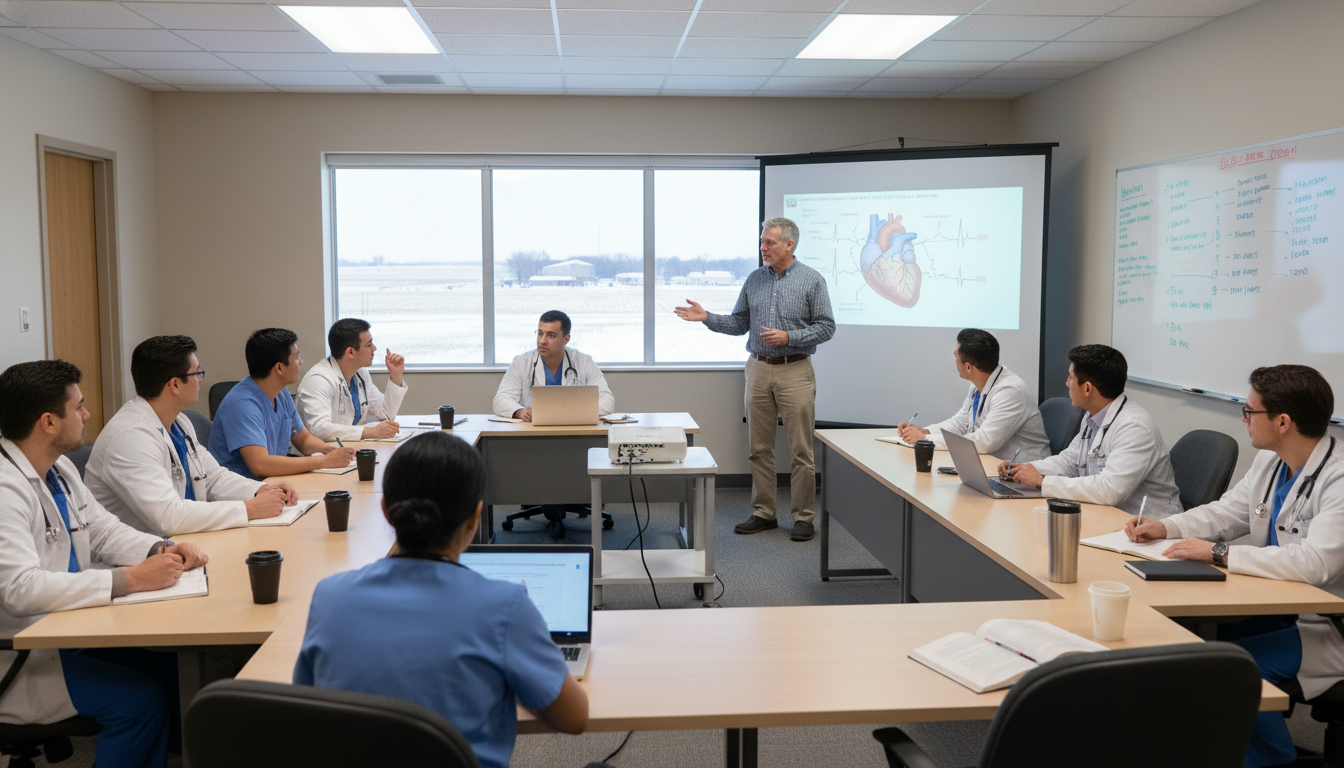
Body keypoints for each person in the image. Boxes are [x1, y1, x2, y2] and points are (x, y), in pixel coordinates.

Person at [294, 431, 589, 768]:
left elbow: (310, 710)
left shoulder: (330, 597)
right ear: (475, 518)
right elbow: (574, 719)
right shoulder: (504, 606)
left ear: (386, 511)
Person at [1125, 365, 1344, 767]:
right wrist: (1166, 526)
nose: (1243, 419)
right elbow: (1227, 512)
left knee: (1228, 670)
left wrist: (1220, 553)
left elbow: (1316, 564)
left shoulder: (1339, 478)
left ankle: (1273, 761)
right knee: (1185, 642)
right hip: (1280, 605)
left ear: (1282, 421)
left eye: (1249, 411)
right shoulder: (1271, 461)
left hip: (1328, 624)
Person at [0, 360, 208, 768]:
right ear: (48, 422)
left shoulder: (57, 469)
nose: (87, 414)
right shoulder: (5, 490)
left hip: (70, 628)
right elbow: (19, 590)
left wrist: (161, 548)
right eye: (77, 407)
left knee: (174, 669)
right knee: (141, 703)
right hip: (22, 654)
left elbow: (105, 531)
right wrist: (127, 580)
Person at [674, 217, 835, 542]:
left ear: (789, 245)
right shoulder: (754, 279)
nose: (763, 248)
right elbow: (739, 323)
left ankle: (803, 517)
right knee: (758, 448)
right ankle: (764, 513)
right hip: (758, 369)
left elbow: (826, 327)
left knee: (801, 450)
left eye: (770, 243)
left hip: (795, 369)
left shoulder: (812, 280)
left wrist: (790, 336)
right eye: (762, 242)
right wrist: (707, 318)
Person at [87, 335, 298, 535]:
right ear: (175, 384)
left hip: (182, 542)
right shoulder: (130, 438)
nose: (201, 379)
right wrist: (249, 508)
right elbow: (169, 517)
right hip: (138, 559)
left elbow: (214, 477)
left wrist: (263, 490)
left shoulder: (179, 422)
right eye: (197, 373)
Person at [998, 344, 1181, 518]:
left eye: (1070, 377)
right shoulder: (1094, 416)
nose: (1067, 383)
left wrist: (1043, 481)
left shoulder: (1135, 427)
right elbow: (1069, 462)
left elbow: (1110, 490)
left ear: (1087, 388)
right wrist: (1026, 469)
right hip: (1108, 517)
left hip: (1149, 528)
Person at [208, 328, 355, 480]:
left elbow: (303, 440)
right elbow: (260, 465)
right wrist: (322, 461)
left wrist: (330, 450)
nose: (301, 361)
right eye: (296, 357)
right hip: (241, 493)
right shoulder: (241, 405)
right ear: (279, 368)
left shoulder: (281, 392)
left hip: (272, 482)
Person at [897, 328, 1051, 462]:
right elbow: (960, 423)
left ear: (968, 367)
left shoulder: (1010, 391)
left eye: (955, 356)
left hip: (1026, 473)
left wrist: (925, 440)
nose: (954, 361)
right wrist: (926, 431)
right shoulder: (980, 383)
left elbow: (984, 442)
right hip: (995, 467)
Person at [296, 318, 408, 442]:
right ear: (350, 352)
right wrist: (369, 432)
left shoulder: (360, 374)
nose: (374, 348)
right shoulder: (318, 380)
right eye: (369, 345)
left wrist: (396, 375)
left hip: (347, 450)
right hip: (316, 456)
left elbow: (385, 414)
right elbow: (319, 429)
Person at [493, 310, 615, 421]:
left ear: (566, 339)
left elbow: (607, 400)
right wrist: (519, 412)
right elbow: (501, 399)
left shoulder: (584, 361)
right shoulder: (521, 362)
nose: (542, 341)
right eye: (540, 334)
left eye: (551, 336)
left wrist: (580, 413)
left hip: (575, 429)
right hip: (531, 431)